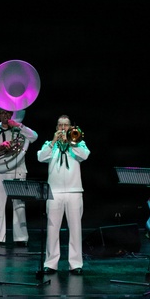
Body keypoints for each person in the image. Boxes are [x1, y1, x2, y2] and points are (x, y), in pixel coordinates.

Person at [36, 115, 90, 274]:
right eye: (60, 125)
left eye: (66, 125)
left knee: (75, 229)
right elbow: (41, 157)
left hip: (74, 192)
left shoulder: (79, 142)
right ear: (56, 128)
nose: (63, 128)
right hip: (54, 193)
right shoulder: (49, 145)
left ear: (71, 127)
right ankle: (51, 264)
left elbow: (85, 155)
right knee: (52, 230)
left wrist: (72, 143)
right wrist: (53, 142)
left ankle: (76, 264)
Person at [0, 109, 39, 247]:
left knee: (19, 204)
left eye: (8, 113)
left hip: (18, 169)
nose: (5, 116)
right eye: (2, 113)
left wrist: (18, 125)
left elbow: (34, 136)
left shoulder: (20, 130)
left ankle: (21, 237)